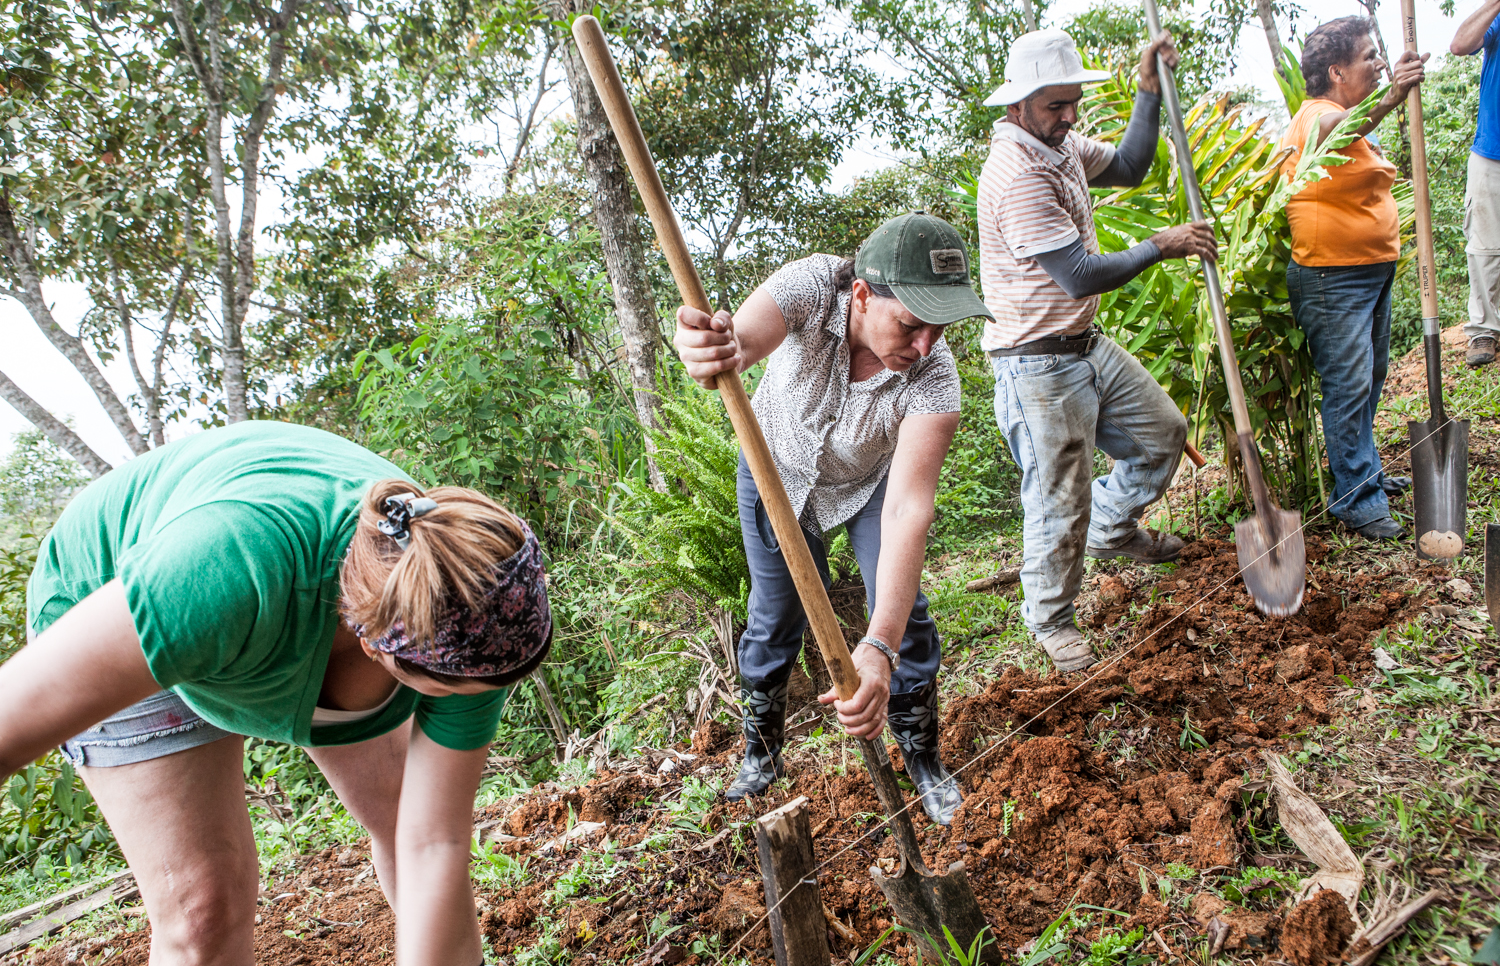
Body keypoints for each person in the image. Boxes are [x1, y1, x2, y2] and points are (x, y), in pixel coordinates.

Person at [0, 421, 552, 966]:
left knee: (397, 811)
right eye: (451, 692)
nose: (470, 701)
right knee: (203, 908)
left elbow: (432, 844)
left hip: (255, 613)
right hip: (121, 603)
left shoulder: (478, 604)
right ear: (380, 647)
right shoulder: (223, 566)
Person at [673, 212, 992, 825]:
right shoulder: (812, 288)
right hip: (776, 473)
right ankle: (761, 753)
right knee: (774, 619)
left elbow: (907, 508)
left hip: (871, 486)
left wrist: (876, 647)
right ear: (864, 296)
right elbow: (741, 342)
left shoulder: (934, 377)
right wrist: (711, 349)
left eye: (940, 328)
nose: (926, 344)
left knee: (907, 621)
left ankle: (922, 756)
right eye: (912, 323)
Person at [976, 29, 1215, 673]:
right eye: (1055, 105)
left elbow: (1132, 167)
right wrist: (1159, 246)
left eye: (1072, 102)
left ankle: (1112, 531)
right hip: (1036, 362)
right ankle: (1051, 619)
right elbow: (1079, 273)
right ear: (1017, 106)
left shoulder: (1060, 144)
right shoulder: (1018, 173)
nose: (1069, 116)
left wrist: (1147, 93)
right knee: (1059, 496)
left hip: (1085, 343)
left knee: (1163, 432)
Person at [1281, 17, 1427, 541]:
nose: (1379, 62)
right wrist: (1392, 96)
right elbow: (1334, 132)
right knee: (1347, 386)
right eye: (1369, 56)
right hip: (1332, 278)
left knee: (1369, 378)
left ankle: (1364, 472)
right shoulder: (1316, 115)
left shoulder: (1347, 116)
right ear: (1337, 71)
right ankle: (1355, 500)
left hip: (1368, 272)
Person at [1451, 0, 1500, 368]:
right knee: (1484, 246)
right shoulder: (1497, 17)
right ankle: (1484, 329)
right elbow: (1460, 44)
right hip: (1492, 152)